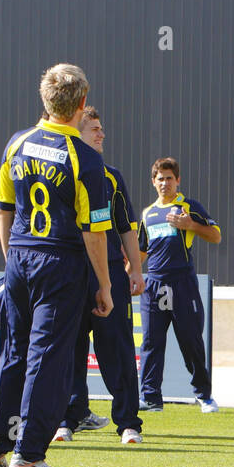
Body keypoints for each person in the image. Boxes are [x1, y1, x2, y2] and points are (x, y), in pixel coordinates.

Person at [0, 64, 114, 467]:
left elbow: (4, 208)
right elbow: (94, 232)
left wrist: (11, 260)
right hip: (61, 261)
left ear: (45, 99)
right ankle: (30, 455)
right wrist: (104, 283)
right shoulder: (87, 161)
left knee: (13, 354)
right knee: (47, 360)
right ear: (82, 103)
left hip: (19, 256)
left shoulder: (17, 144)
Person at [55, 109, 146, 445]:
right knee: (69, 349)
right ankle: (68, 417)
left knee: (118, 348)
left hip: (109, 272)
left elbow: (126, 226)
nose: (101, 135)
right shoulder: (60, 170)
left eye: (101, 129)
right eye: (94, 129)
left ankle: (128, 423)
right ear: (76, 131)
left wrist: (135, 269)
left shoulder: (110, 176)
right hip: (69, 273)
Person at [136, 158, 219, 413]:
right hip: (154, 285)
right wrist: (130, 275)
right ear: (153, 182)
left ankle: (203, 395)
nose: (164, 183)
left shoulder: (187, 206)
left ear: (177, 180)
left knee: (190, 340)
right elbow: (141, 251)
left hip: (182, 283)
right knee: (151, 341)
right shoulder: (148, 213)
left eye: (169, 178)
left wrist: (190, 225)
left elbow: (216, 235)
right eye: (160, 178)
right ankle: (151, 398)